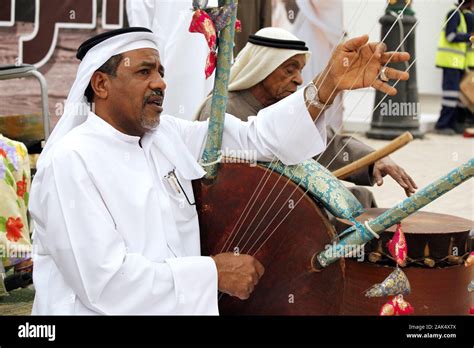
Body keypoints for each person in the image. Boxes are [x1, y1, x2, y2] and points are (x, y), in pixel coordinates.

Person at [29, 27, 410, 315]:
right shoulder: (69, 163)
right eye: (144, 72)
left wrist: (327, 86)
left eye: (160, 71)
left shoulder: (166, 136)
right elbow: (104, 283)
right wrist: (212, 274)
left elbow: (259, 140)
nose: (160, 82)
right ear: (101, 84)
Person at [197, 28, 417, 207]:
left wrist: (373, 159)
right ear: (261, 68)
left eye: (301, 70)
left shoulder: (283, 106)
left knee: (361, 199)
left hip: (290, 204)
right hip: (255, 215)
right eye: (289, 70)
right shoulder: (219, 111)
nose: (299, 80)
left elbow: (327, 144)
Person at [435, 0, 474, 134]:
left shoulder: (462, 15)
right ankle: (443, 125)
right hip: (450, 62)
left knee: (455, 95)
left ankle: (452, 123)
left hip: (456, 62)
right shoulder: (454, 14)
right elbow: (450, 36)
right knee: (450, 95)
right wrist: (470, 37)